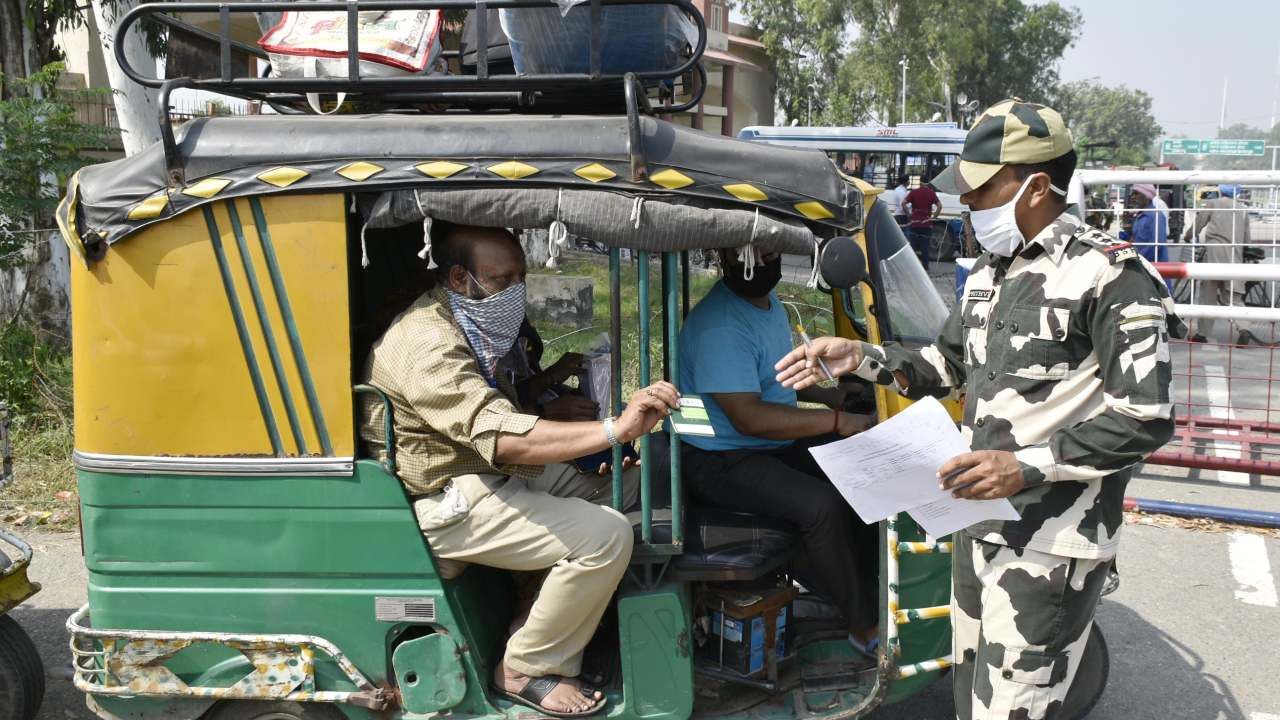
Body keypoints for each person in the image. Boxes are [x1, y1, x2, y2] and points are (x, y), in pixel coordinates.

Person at [775, 99, 1180, 720]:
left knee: (1014, 708)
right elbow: (948, 367)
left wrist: (1026, 467)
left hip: (1049, 542)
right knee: (972, 699)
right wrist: (860, 357)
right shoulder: (992, 273)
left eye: (983, 190)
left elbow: (1144, 417)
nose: (967, 206)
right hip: (978, 522)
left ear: (1037, 186)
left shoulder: (1110, 278)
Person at [359, 221, 680, 717]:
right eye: (502, 280)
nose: (515, 292)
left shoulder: (469, 319)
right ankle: (525, 666)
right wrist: (616, 430)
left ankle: (535, 605)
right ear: (461, 278)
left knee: (625, 478)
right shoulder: (426, 342)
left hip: (480, 470)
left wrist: (567, 408)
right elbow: (502, 436)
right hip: (442, 496)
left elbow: (499, 403)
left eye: (520, 279)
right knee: (607, 536)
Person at [677, 246, 881, 653]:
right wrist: (840, 422)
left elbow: (776, 375)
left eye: (766, 250)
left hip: (762, 443)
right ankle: (862, 625)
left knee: (862, 464)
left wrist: (832, 396)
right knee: (822, 506)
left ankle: (866, 586)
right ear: (722, 256)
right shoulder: (720, 326)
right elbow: (750, 418)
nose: (753, 261)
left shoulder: (768, 308)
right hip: (720, 456)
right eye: (739, 253)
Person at [1182, 184, 1251, 342]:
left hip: (1214, 254)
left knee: (1208, 295)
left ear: (1220, 191)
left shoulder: (1213, 203)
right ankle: (1244, 328)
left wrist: (1188, 236)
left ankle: (1203, 334)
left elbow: (1199, 223)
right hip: (1234, 256)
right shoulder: (1242, 209)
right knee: (1232, 298)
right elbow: (1247, 239)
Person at [1121, 183, 1169, 264]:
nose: (1132, 197)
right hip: (1141, 263)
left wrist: (1136, 260)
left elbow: (1156, 244)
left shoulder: (1155, 215)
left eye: (1136, 193)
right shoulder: (1140, 215)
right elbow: (1135, 239)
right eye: (1132, 194)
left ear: (1146, 196)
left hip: (1154, 267)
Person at [904, 173, 942, 269]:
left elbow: (903, 203)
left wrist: (909, 215)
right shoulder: (931, 193)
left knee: (912, 247)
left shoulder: (914, 192)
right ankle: (925, 267)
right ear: (928, 182)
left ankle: (912, 267)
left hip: (914, 224)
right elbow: (940, 206)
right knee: (925, 248)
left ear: (919, 182)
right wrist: (933, 217)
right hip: (926, 225)